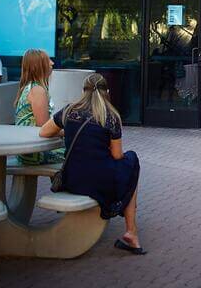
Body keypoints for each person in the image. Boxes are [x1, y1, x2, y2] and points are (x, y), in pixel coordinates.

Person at [39, 73, 144, 255]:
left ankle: (131, 232)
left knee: (128, 167)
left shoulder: (69, 110)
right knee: (132, 162)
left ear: (83, 90)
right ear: (107, 92)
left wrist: (67, 133)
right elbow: (117, 156)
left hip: (72, 179)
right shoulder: (111, 117)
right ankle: (131, 232)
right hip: (98, 181)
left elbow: (44, 132)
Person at [13, 49, 64, 165]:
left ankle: (59, 183)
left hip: (28, 148)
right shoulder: (37, 90)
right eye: (48, 60)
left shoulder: (31, 86)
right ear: (38, 66)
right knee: (81, 155)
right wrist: (70, 131)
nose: (52, 63)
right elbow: (44, 128)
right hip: (34, 151)